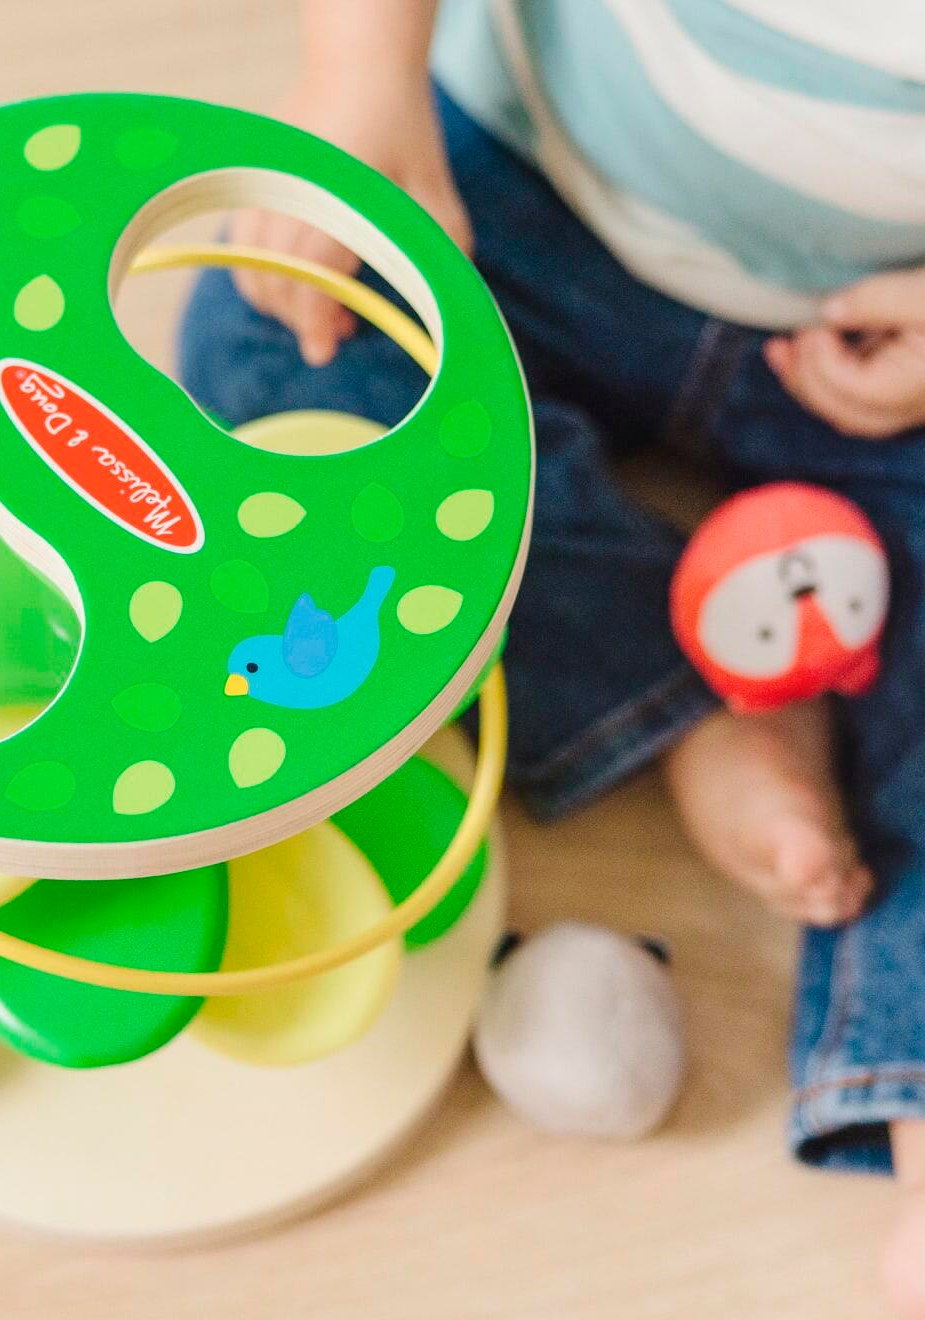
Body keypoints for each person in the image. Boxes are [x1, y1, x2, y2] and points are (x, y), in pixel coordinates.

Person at [177, 2, 925, 1312]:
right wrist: (361, 83)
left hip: (882, 336)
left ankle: (909, 1068)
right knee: (265, 353)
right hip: (520, 195)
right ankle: (690, 703)